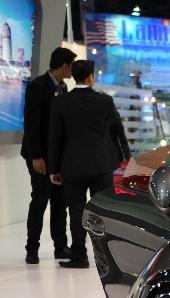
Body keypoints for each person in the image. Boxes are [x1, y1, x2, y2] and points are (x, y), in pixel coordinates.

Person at [48, 60, 130, 269]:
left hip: (72, 166)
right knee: (102, 210)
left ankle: (79, 256)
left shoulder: (61, 102)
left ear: (74, 77)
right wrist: (125, 156)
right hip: (101, 164)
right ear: (91, 77)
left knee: (76, 211)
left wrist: (54, 168)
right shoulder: (104, 101)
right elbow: (118, 129)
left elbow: (55, 137)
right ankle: (108, 258)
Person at [20, 47, 76, 264]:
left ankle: (60, 247)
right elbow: (31, 124)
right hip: (40, 155)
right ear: (64, 66)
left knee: (59, 202)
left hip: (58, 157)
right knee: (40, 199)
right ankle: (31, 249)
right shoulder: (38, 86)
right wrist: (37, 156)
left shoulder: (64, 88)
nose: (72, 70)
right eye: (71, 65)